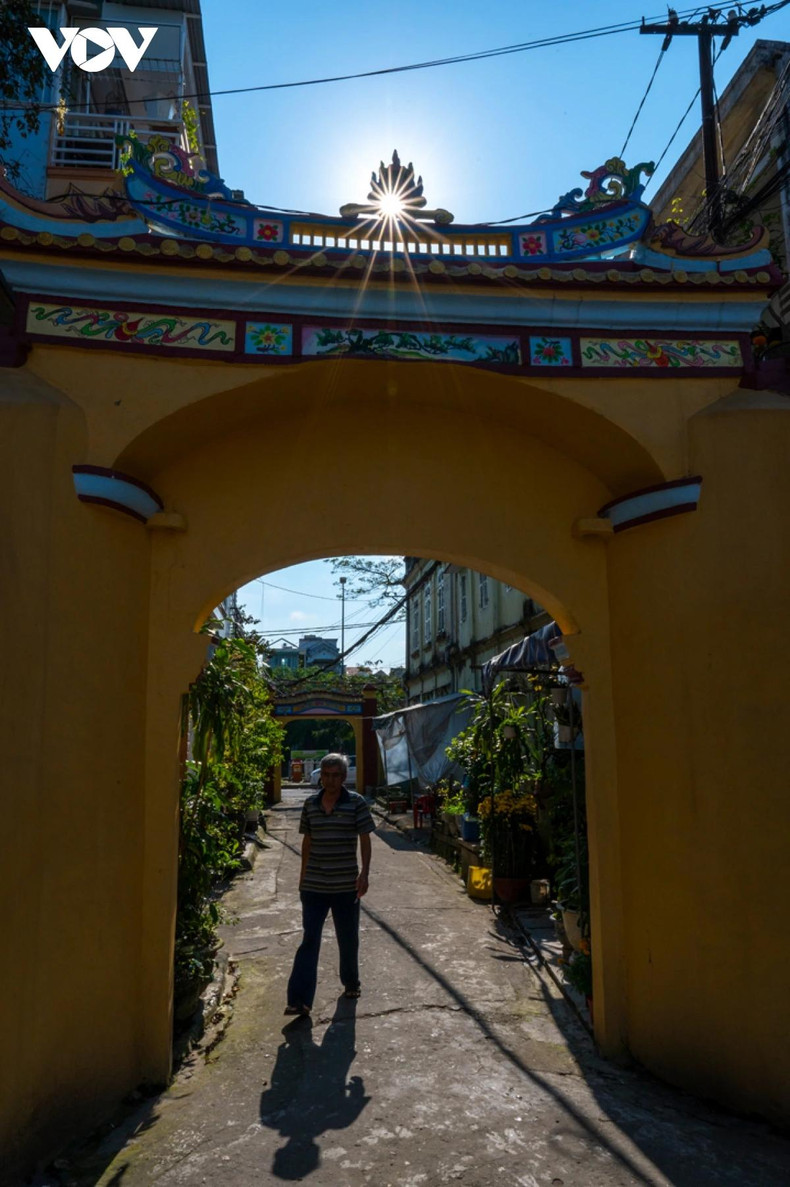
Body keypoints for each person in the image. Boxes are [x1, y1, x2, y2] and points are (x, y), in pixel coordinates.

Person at [285, 753, 374, 1016]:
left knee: (347, 938)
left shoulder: (356, 803)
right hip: (314, 885)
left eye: (336, 775)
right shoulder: (311, 804)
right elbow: (308, 841)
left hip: (346, 884)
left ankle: (351, 982)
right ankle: (299, 1000)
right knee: (309, 940)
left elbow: (365, 839)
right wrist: (302, 878)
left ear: (344, 777)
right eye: (326, 774)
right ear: (321, 776)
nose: (330, 780)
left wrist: (365, 874)